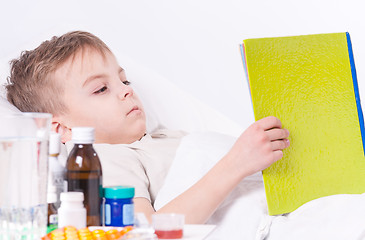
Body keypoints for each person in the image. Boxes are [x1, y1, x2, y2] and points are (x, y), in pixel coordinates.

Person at [5, 31, 290, 224]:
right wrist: (235, 163)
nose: (126, 91)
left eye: (125, 81)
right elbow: (147, 232)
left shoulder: (169, 137)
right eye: (101, 89)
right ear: (60, 129)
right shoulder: (104, 158)